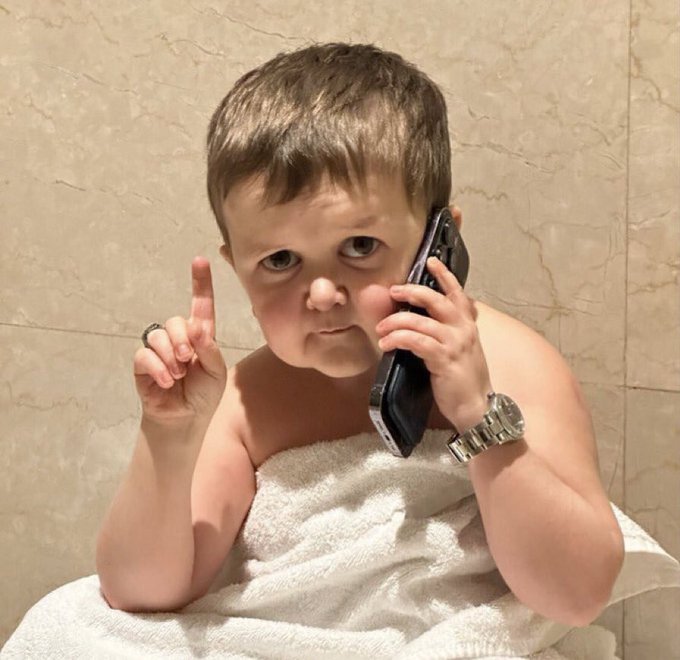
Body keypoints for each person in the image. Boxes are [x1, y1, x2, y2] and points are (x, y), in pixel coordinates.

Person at [95, 42, 624, 628]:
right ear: (236, 267)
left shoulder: (513, 367)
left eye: (360, 246)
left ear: (439, 242)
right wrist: (168, 437)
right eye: (279, 260)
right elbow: (140, 593)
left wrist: (479, 418)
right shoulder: (247, 402)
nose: (323, 293)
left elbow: (578, 596)